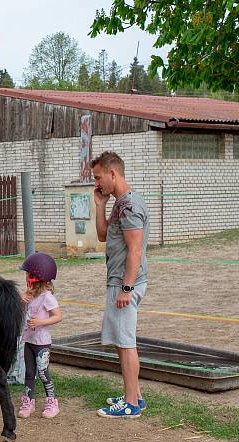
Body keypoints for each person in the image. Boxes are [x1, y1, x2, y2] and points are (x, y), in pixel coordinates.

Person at [92, 151, 150, 418]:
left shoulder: (129, 206)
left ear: (112, 173)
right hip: (118, 281)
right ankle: (134, 395)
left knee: (126, 342)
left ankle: (130, 404)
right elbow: (103, 235)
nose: (97, 183)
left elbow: (135, 250)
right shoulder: (119, 203)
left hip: (124, 283)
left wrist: (126, 288)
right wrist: (99, 205)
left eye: (98, 177)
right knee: (120, 340)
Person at [18, 252, 62, 419]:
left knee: (43, 373)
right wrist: (21, 301)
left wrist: (41, 322)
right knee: (29, 373)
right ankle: (28, 402)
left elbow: (58, 316)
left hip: (42, 343)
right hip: (29, 340)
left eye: (29, 275)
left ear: (38, 277)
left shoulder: (47, 297)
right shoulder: (30, 295)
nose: (27, 278)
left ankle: (52, 402)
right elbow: (22, 314)